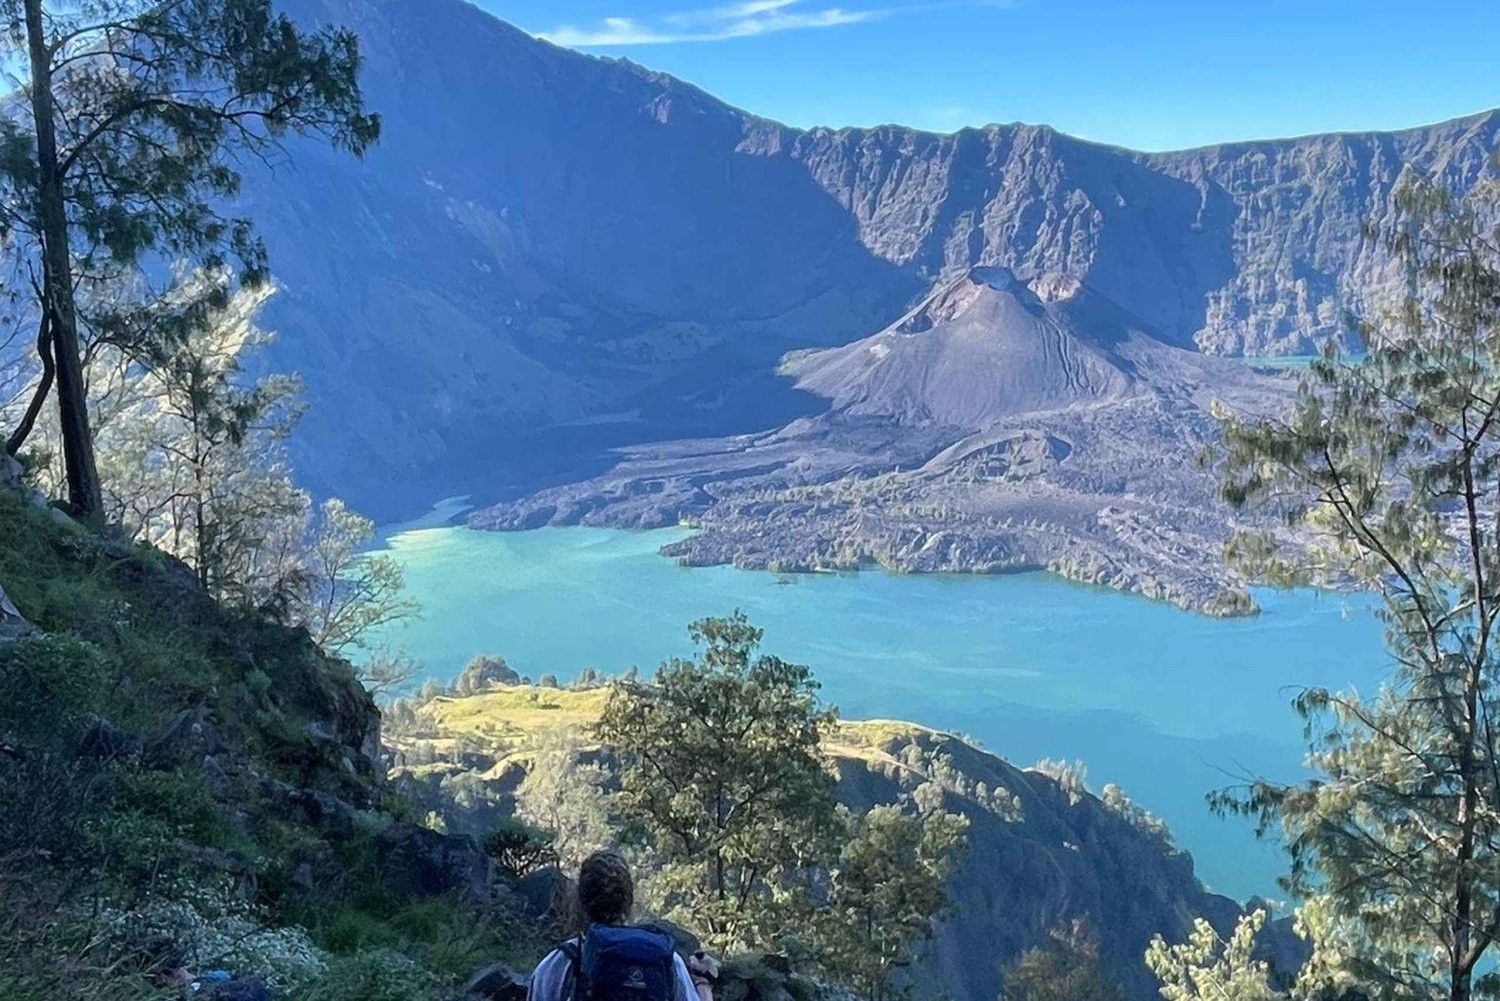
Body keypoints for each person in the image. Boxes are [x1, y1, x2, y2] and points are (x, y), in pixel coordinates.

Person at [527, 851, 699, 1001]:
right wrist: (702, 983)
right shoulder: (665, 959)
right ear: (629, 903)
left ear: (580, 902)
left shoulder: (559, 963)